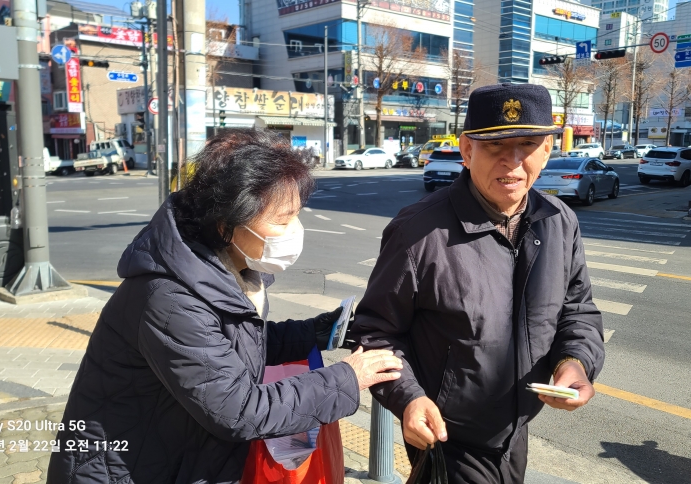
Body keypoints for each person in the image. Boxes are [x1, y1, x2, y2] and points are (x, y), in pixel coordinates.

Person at [47, 130, 403, 484]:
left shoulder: (223, 267)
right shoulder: (171, 299)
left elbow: (234, 345)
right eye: (282, 220)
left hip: (177, 456)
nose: (294, 230)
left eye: (297, 215)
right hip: (127, 469)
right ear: (225, 224)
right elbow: (239, 410)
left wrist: (318, 332)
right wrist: (347, 378)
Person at [351, 83, 606, 484]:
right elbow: (376, 332)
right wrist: (409, 399)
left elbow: (578, 312)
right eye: (495, 146)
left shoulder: (560, 221)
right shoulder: (418, 232)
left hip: (514, 432)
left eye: (527, 144)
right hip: (445, 437)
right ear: (467, 150)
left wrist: (574, 362)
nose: (512, 161)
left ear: (547, 150)